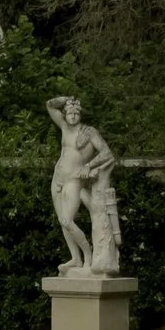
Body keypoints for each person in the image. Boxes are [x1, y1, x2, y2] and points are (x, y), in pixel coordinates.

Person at [46, 96, 121, 276]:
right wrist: (64, 100)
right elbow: (49, 105)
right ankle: (76, 258)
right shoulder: (64, 127)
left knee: (67, 220)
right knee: (62, 222)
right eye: (69, 112)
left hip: (74, 179)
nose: (71, 116)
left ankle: (88, 256)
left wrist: (88, 165)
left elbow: (106, 153)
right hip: (58, 178)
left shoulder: (89, 132)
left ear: (80, 114)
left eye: (75, 113)